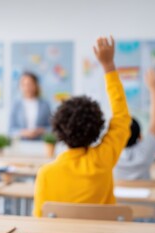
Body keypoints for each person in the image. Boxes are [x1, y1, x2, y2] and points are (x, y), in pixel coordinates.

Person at [33, 36, 131, 217]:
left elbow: (39, 223)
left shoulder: (46, 174)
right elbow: (122, 117)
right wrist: (108, 66)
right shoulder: (102, 160)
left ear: (58, 129)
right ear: (97, 127)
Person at [114, 69, 155, 180]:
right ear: (140, 136)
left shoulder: (110, 155)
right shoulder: (144, 153)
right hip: (145, 193)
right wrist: (154, 90)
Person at [9, 72, 52, 140]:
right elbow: (11, 130)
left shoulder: (45, 105)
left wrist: (40, 131)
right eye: (24, 84)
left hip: (40, 143)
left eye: (30, 84)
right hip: (21, 144)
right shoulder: (15, 105)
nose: (27, 87)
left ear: (36, 85)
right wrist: (24, 132)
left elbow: (51, 128)